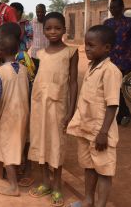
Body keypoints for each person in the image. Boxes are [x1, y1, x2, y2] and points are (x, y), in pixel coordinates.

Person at [67, 25, 122, 207]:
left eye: (91, 45)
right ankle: (88, 200)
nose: (87, 48)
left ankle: (100, 204)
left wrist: (103, 132)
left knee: (104, 171)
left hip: (100, 133)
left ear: (106, 48)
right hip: (86, 128)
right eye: (85, 44)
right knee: (89, 167)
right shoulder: (92, 66)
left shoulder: (110, 71)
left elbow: (113, 104)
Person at [28, 12, 79, 206]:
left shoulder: (70, 53)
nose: (53, 32)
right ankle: (45, 182)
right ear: (43, 30)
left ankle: (58, 186)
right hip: (39, 104)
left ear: (64, 30)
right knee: (40, 142)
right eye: (49, 28)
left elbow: (73, 83)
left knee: (56, 145)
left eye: (57, 28)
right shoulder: (39, 54)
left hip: (58, 106)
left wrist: (71, 111)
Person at [0, 34, 29, 197]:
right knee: (18, 145)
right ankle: (18, 178)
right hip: (23, 113)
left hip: (7, 115)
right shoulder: (24, 69)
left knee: (8, 149)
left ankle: (13, 186)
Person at [103, 0, 131, 126]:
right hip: (109, 59)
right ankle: (121, 114)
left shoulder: (130, 22)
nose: (113, 10)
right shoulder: (107, 23)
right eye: (111, 7)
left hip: (125, 60)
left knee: (114, 86)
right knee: (112, 87)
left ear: (122, 7)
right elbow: (102, 41)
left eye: (115, 7)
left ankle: (124, 113)